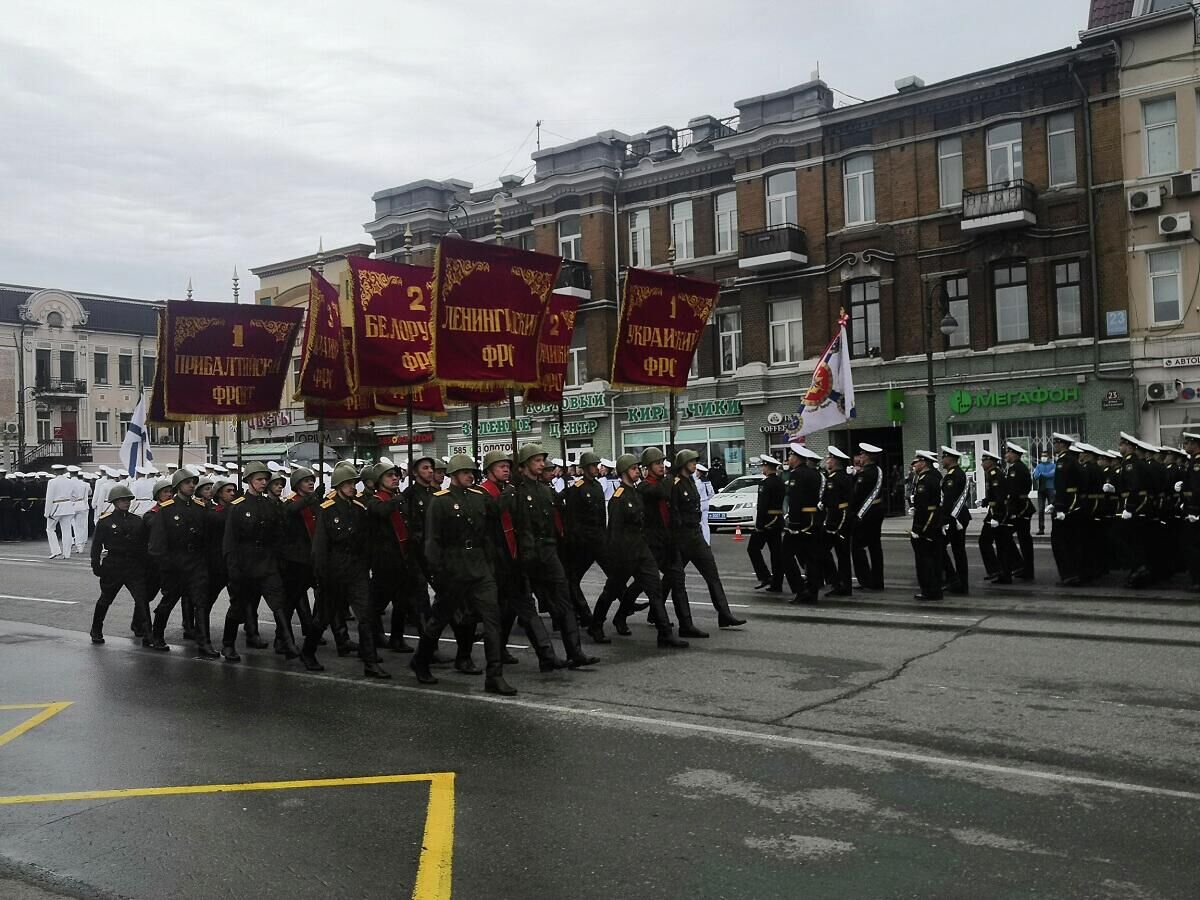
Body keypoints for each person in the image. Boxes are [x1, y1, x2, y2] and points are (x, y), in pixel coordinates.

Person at [409, 454, 516, 694]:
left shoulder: (479, 497)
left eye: (472, 472)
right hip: (453, 569)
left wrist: (508, 491)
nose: (471, 475)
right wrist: (437, 574)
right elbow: (432, 542)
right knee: (439, 620)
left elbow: (495, 514)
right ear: (454, 475)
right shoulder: (440, 501)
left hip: (479, 567)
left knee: (492, 620)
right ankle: (421, 661)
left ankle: (495, 675)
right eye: (466, 472)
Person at [510, 444, 597, 668]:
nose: (542, 464)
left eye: (542, 460)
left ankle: (575, 652)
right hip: (527, 555)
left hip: (549, 552)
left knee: (564, 601)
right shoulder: (515, 492)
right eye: (537, 460)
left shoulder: (546, 490)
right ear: (525, 464)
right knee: (522, 607)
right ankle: (546, 657)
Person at [596, 454, 689, 649]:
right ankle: (596, 626)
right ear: (623, 472)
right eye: (633, 469)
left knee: (655, 589)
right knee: (611, 591)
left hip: (642, 550)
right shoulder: (618, 498)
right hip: (625, 553)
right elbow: (613, 531)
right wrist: (613, 557)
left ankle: (664, 634)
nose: (637, 471)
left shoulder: (637, 493)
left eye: (638, 468)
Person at [308, 461, 385, 677]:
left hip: (356, 570)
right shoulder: (327, 509)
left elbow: (366, 541)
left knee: (366, 615)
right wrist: (320, 574)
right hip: (334, 571)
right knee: (324, 616)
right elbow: (320, 547)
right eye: (349, 483)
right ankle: (308, 651)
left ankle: (370, 662)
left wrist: (366, 566)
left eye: (354, 483)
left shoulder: (359, 509)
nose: (353, 487)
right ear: (338, 485)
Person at [220, 461, 299, 663]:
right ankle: (228, 644)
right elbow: (230, 541)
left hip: (267, 562)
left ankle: (289, 643)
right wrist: (233, 569)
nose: (264, 483)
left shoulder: (269, 505)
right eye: (259, 479)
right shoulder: (237, 507)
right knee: (238, 607)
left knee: (278, 603)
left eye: (265, 479)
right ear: (249, 481)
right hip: (245, 564)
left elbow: (277, 535)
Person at [671, 448, 745, 631]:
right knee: (673, 579)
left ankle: (724, 614)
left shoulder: (691, 482)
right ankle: (655, 614)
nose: (695, 464)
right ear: (683, 464)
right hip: (682, 538)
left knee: (712, 575)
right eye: (692, 461)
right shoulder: (675, 484)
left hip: (695, 536)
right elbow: (672, 511)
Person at [147, 467, 218, 656]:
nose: (192, 486)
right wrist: (166, 567)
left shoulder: (199, 509)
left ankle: (204, 642)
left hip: (196, 563)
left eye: (194, 483)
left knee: (201, 602)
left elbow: (207, 539)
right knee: (168, 601)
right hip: (175, 564)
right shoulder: (166, 510)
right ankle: (157, 635)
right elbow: (157, 543)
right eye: (188, 483)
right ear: (178, 485)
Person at [89, 483, 156, 649]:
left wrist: (145, 565)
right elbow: (96, 545)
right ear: (114, 502)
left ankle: (148, 633)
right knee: (106, 599)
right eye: (122, 500)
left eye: (128, 500)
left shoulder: (137, 521)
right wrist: (96, 565)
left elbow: (143, 545)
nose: (126, 502)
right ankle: (96, 629)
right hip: (114, 565)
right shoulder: (105, 521)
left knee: (142, 600)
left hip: (133, 565)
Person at [279, 467, 324, 668]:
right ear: (297, 485)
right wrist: (312, 498)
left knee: (325, 598)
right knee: (290, 602)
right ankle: (281, 638)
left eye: (312, 481)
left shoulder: (315, 502)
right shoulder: (291, 502)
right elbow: (290, 512)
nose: (310, 484)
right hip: (296, 561)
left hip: (313, 558)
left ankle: (315, 632)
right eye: (306, 481)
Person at [782, 444, 823, 604]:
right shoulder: (815, 473)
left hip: (801, 521)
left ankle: (799, 588)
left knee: (785, 555)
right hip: (814, 519)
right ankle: (813, 592)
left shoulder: (797, 475)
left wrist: (793, 523)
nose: (788, 460)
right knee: (811, 557)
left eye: (790, 456)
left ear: (796, 458)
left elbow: (795, 500)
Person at [747, 454, 785, 591]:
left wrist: (759, 525)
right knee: (776, 553)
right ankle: (777, 583)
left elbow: (762, 506)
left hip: (767, 522)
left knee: (752, 548)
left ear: (767, 467)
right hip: (778, 520)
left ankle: (764, 576)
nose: (762, 468)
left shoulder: (765, 483)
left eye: (763, 465)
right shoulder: (780, 482)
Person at [851, 443, 886, 590]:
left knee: (857, 547)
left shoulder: (866, 474)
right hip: (876, 511)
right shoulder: (877, 471)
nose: (860, 457)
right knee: (875, 547)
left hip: (866, 514)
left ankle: (866, 580)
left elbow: (857, 495)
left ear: (868, 456)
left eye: (862, 454)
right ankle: (877, 581)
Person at [1048, 434, 1082, 586]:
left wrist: (1059, 506)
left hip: (1066, 504)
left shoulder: (1063, 461)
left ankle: (1068, 575)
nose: (1054, 445)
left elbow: (1061, 486)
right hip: (1072, 502)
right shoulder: (1072, 460)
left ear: (1062, 444)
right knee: (1071, 541)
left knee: (1060, 542)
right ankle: (1074, 573)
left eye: (1056, 443)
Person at [909, 451, 943, 601]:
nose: (914, 465)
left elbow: (924, 508)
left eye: (916, 462)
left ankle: (930, 590)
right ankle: (933, 589)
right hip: (932, 521)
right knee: (931, 558)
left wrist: (918, 529)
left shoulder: (925, 480)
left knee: (925, 560)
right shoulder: (930, 478)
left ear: (923, 463)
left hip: (926, 523)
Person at [939, 446, 970, 594]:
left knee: (940, 547)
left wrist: (944, 519)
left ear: (950, 459)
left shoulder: (953, 476)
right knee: (958, 550)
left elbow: (949, 500)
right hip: (958, 517)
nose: (942, 460)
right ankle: (960, 582)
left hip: (954, 518)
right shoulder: (956, 473)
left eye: (944, 457)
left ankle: (955, 581)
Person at [823, 447, 854, 596]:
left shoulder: (836, 479)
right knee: (839, 554)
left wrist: (834, 525)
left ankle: (840, 584)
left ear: (835, 461)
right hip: (837, 519)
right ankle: (839, 583)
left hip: (838, 521)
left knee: (837, 554)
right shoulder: (840, 477)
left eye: (829, 458)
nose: (827, 461)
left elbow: (836, 504)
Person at [978, 450, 1011, 584]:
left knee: (984, 541)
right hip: (995, 511)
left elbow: (1000, 496)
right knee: (1001, 544)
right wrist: (985, 501)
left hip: (997, 513)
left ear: (990, 462)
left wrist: (996, 516)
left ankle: (995, 570)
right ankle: (1003, 573)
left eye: (984, 461)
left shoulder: (995, 474)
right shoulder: (992, 474)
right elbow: (994, 495)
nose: (981, 464)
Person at [1003, 442, 1035, 580]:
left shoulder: (1015, 469)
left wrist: (1012, 510)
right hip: (1021, 506)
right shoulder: (1018, 467)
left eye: (1008, 453)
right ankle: (1023, 568)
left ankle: (1023, 568)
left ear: (1014, 454)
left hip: (1020, 508)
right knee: (1023, 539)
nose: (1006, 455)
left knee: (1017, 538)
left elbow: (1014, 491)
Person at [1182, 431, 1200, 593]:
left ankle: (1197, 581)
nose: (1185, 445)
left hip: (1195, 511)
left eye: (1188, 443)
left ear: (1195, 444)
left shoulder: (1196, 463)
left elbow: (1197, 489)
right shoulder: (1193, 461)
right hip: (1192, 508)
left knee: (1194, 547)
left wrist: (1194, 510)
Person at [1033, 451, 1056, 535]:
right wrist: (1043, 474)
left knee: (1052, 509)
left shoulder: (1053, 465)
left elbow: (1052, 474)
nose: (1043, 457)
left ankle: (1055, 529)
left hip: (1051, 488)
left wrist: (1042, 474)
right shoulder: (1039, 466)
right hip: (1041, 490)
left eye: (1045, 456)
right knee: (1041, 509)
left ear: (1049, 457)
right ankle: (1041, 529)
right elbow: (1035, 476)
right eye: (1042, 456)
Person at [695, 463, 715, 544]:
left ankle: (701, 542)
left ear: (699, 472)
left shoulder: (698, 482)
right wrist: (706, 499)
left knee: (699, 523)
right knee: (705, 524)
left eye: (696, 471)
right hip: (706, 503)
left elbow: (695, 494)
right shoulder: (707, 481)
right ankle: (707, 542)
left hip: (700, 503)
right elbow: (712, 493)